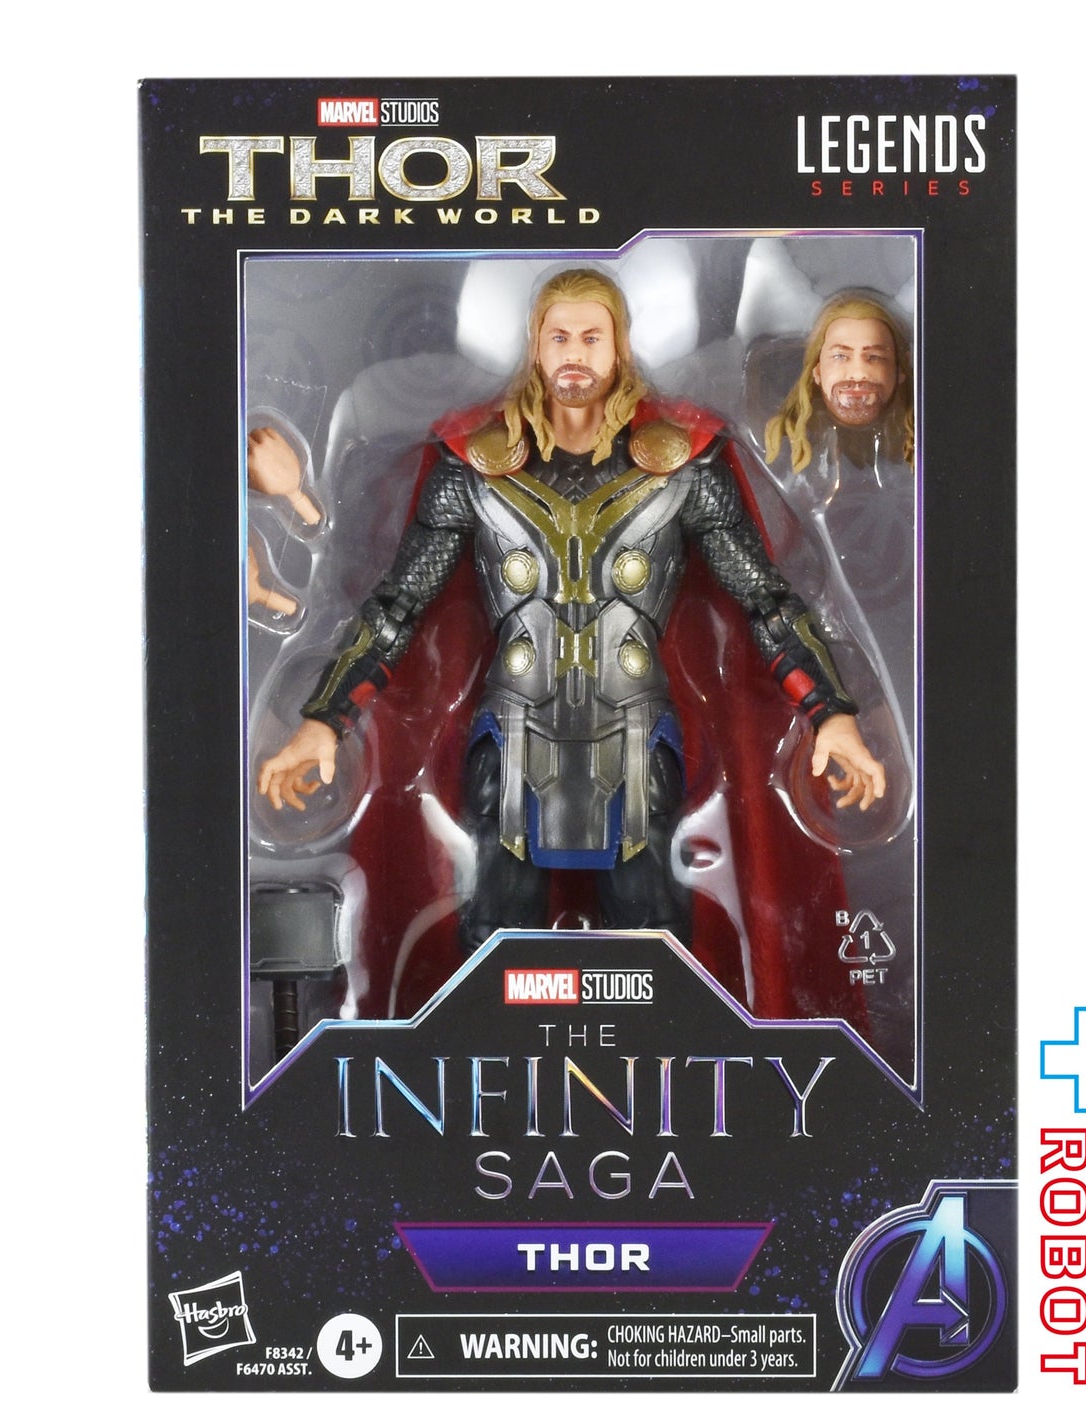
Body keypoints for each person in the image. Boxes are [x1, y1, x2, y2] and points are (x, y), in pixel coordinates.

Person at [258, 267, 885, 958]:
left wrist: (831, 713)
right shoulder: (471, 462)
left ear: (619, 346)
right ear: (536, 345)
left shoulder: (685, 461)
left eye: (591, 337)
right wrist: (325, 720)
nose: (575, 353)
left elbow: (765, 598)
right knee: (497, 950)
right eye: (559, 337)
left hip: (637, 738)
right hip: (511, 737)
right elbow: (398, 604)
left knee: (651, 950)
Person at [765, 292, 913, 472]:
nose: (858, 374)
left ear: (899, 370)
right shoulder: (782, 444)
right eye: (840, 356)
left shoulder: (925, 439)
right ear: (817, 370)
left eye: (874, 357)